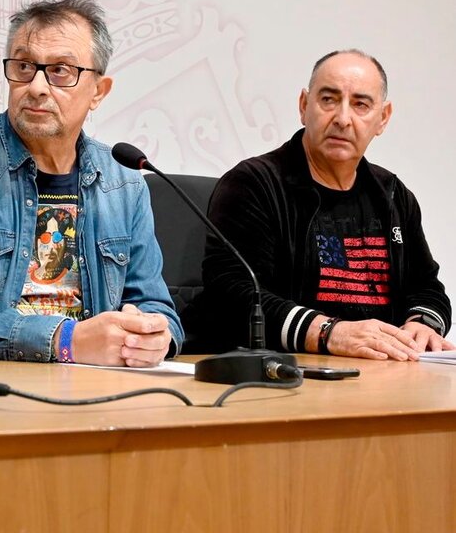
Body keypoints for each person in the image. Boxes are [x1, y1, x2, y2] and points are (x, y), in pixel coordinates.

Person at [0, 0, 183, 366]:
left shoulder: (124, 182)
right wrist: (66, 340)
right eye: (23, 66)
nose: (36, 86)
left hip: (104, 384)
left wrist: (155, 335)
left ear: (98, 92)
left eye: (60, 71)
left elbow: (155, 305)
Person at [194, 49, 453, 360]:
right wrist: (329, 333)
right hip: (286, 373)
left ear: (382, 118)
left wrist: (422, 324)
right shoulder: (254, 184)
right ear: (304, 106)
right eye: (328, 100)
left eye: (360, 105)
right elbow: (234, 294)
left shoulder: (394, 195)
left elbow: (426, 287)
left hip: (381, 374)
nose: (343, 119)